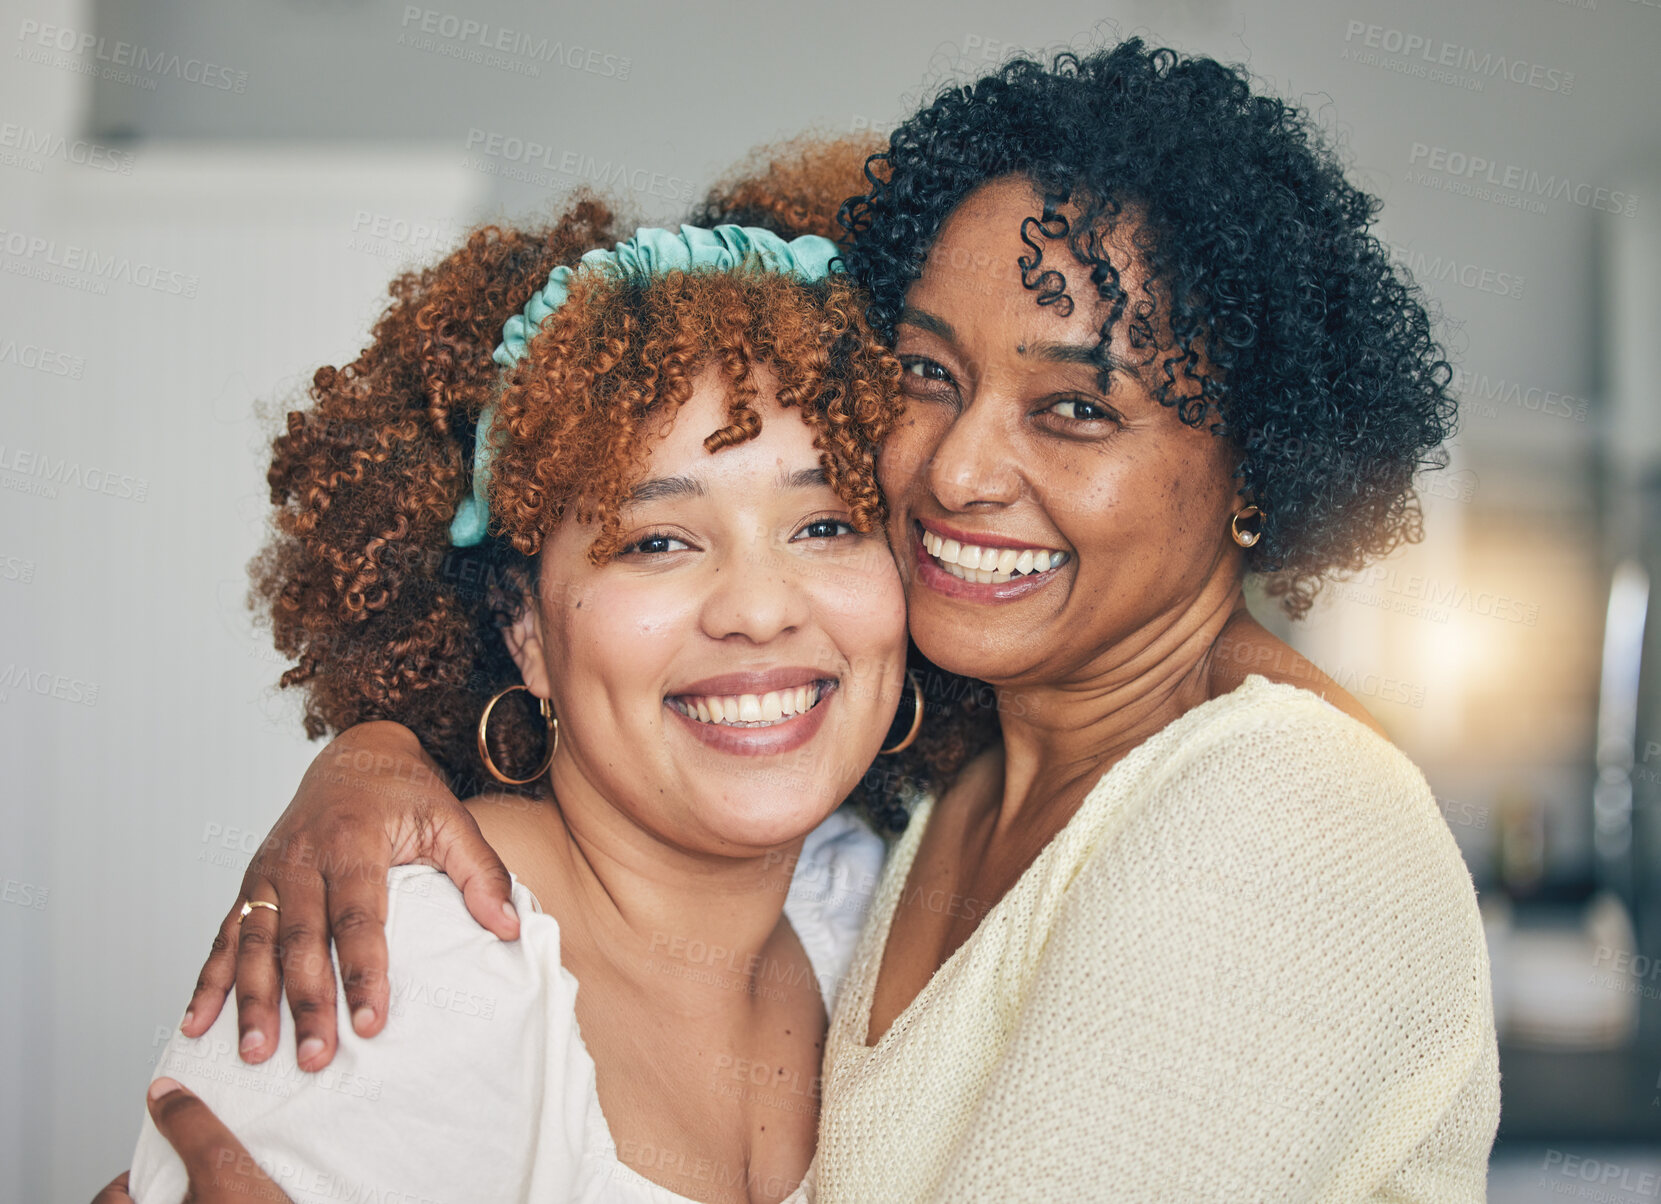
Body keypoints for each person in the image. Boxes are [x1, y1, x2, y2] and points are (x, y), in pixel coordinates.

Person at [148, 41, 1501, 1202]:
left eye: (1076, 407)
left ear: (1256, 463)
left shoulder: (1274, 805)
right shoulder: (892, 844)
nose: (961, 471)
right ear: (517, 622)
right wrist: (372, 749)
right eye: (926, 374)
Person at [118, 203, 931, 1202]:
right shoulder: (398, 960)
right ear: (524, 630)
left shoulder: (869, 906)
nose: (759, 609)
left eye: (825, 524)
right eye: (657, 540)